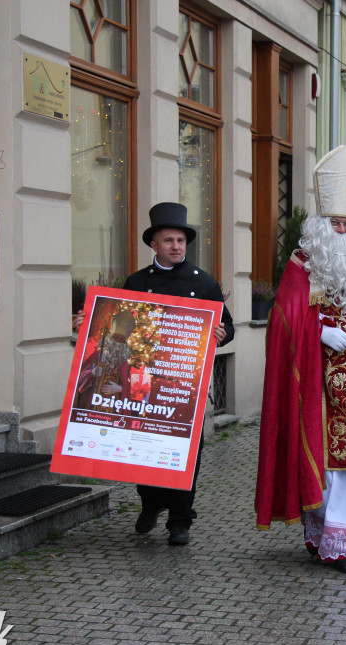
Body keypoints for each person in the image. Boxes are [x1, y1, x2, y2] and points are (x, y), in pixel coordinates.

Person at [255, 144, 346, 575]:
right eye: (335, 223)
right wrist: (319, 330)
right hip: (316, 385)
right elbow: (282, 327)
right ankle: (327, 538)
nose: (341, 230)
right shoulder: (302, 266)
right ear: (321, 226)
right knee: (323, 460)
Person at [123, 201, 234, 546]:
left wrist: (222, 334)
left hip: (186, 384)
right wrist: (88, 324)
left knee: (185, 453)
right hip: (145, 382)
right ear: (153, 245)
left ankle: (180, 520)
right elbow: (120, 325)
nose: (176, 246)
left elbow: (228, 326)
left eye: (181, 241)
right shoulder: (137, 282)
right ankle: (150, 503)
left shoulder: (203, 283)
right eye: (168, 240)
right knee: (144, 447)